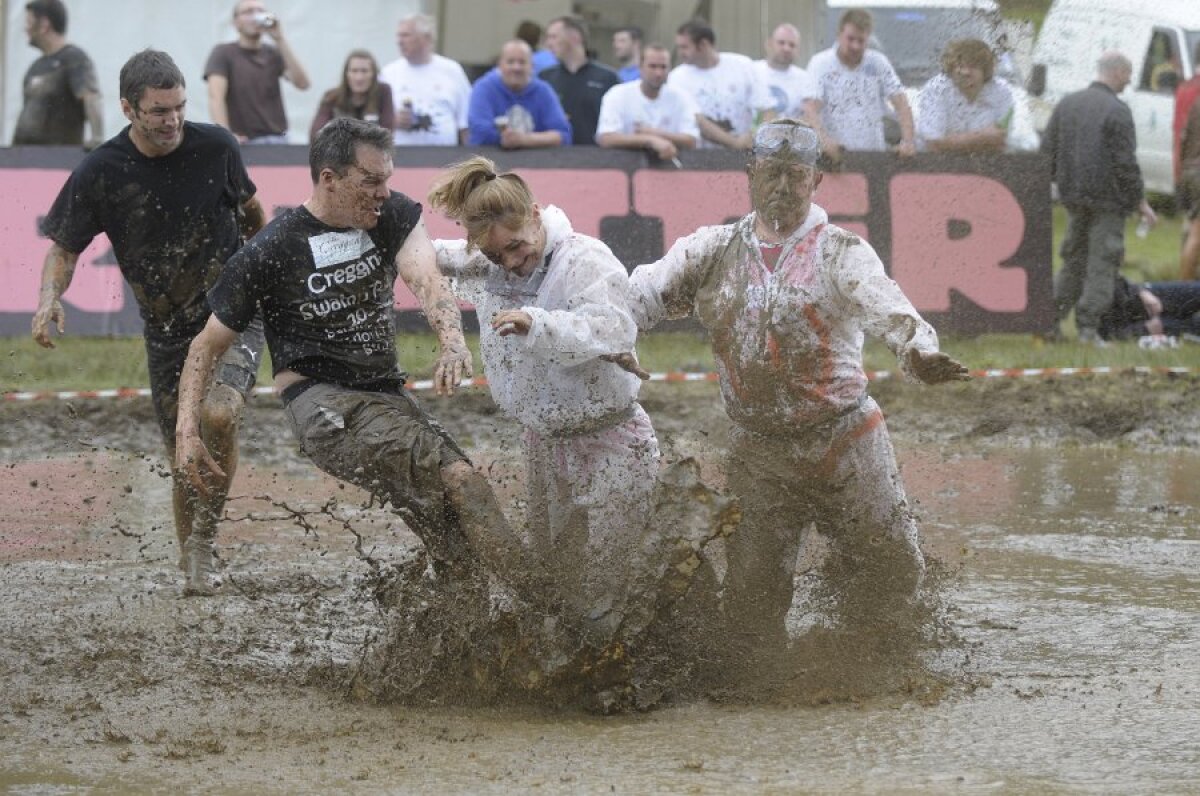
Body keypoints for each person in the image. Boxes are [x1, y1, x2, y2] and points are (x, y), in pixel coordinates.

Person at [627, 119, 969, 664]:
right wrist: (605, 334)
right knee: (753, 593)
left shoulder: (839, 251)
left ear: (814, 182)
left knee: (892, 568)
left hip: (844, 439)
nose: (782, 187)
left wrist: (916, 350)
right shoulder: (711, 251)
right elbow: (637, 296)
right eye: (771, 173)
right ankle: (762, 690)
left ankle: (894, 670)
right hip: (759, 449)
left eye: (795, 175)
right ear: (750, 174)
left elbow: (887, 305)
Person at [174, 118, 542, 602]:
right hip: (323, 407)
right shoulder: (271, 248)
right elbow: (205, 346)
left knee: (447, 523)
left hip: (385, 398)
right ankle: (553, 608)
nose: (383, 192)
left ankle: (459, 641)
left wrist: (453, 341)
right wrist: (186, 433)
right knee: (462, 482)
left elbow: (427, 281)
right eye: (370, 181)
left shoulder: (393, 217)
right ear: (330, 179)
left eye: (387, 178)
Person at [31, 49, 267, 596]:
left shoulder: (219, 147)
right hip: (166, 332)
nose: (173, 121)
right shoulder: (100, 171)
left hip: (231, 311)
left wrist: (268, 268)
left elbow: (254, 213)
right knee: (182, 455)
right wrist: (48, 298)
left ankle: (205, 540)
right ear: (127, 109)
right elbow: (63, 248)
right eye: (159, 111)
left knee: (219, 415)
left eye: (180, 107)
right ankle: (193, 565)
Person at [427, 155, 659, 615]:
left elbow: (614, 327)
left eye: (515, 247)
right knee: (556, 577)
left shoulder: (585, 258)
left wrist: (538, 322)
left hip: (611, 438)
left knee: (614, 575)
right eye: (496, 255)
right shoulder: (489, 264)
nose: (510, 263)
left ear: (534, 215)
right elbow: (425, 252)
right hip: (545, 442)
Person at [1042, 52, 1158, 344]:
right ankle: (1088, 329)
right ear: (1118, 71)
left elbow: (1047, 151)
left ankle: (1049, 322)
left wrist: (1057, 185)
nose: (1130, 81)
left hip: (1073, 199)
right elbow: (1125, 163)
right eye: (1128, 74)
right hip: (1108, 202)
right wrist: (1140, 203)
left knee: (1073, 262)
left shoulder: (1067, 103)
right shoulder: (1117, 110)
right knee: (1102, 264)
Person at [804, 8, 915, 163]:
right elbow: (810, 108)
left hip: (873, 158)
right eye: (850, 39)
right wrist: (823, 140)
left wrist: (908, 142)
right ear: (839, 35)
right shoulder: (820, 63)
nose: (855, 46)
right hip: (835, 159)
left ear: (868, 38)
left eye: (861, 41)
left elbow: (901, 103)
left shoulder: (878, 63)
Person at [204, 0, 310, 144]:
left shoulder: (273, 53)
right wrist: (227, 136)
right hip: (244, 141)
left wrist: (280, 39)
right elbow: (215, 98)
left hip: (279, 139)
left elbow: (302, 83)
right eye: (248, 12)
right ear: (236, 22)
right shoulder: (223, 53)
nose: (255, 16)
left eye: (260, 11)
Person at [668, 19, 775, 150]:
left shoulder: (743, 66)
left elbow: (766, 110)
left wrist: (753, 135)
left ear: (703, 45)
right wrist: (735, 144)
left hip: (746, 155)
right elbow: (697, 121)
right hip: (699, 158)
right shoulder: (676, 77)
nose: (680, 53)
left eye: (684, 47)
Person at [12, 0, 102, 148]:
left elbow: (91, 98)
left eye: (29, 22)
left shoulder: (74, 59)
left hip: (59, 161)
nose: (25, 29)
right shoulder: (35, 67)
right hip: (25, 159)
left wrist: (97, 139)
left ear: (44, 24)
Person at [380, 13, 472, 147]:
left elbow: (466, 123)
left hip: (444, 159)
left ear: (426, 38)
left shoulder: (452, 70)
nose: (399, 41)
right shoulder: (388, 73)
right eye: (398, 36)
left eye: (406, 35)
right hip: (399, 159)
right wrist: (392, 120)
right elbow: (373, 121)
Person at [595, 43, 699, 157]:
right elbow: (606, 138)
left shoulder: (682, 97)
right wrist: (649, 140)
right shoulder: (617, 94)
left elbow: (692, 140)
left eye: (663, 67)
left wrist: (655, 134)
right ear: (640, 67)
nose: (658, 73)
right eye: (652, 66)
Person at [467, 40, 571, 149]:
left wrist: (524, 140)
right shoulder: (483, 88)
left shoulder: (543, 91)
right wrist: (506, 139)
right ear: (500, 65)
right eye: (510, 62)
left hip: (537, 162)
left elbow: (563, 135)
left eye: (522, 62)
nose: (516, 68)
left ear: (532, 66)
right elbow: (479, 133)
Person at [916, 39, 1014, 153]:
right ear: (951, 69)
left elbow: (1001, 142)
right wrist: (982, 137)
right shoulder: (936, 89)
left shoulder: (1002, 91)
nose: (966, 72)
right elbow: (933, 144)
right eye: (960, 66)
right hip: (934, 163)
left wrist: (954, 141)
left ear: (985, 71)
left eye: (973, 66)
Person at [538, 16, 620, 146]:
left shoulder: (608, 78)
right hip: (553, 157)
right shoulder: (544, 78)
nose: (549, 43)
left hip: (597, 157)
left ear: (575, 37)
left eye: (554, 37)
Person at [308, 50, 394, 140]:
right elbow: (315, 134)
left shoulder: (383, 92)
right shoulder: (331, 97)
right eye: (354, 71)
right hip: (340, 151)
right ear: (346, 74)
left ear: (374, 74)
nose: (359, 77)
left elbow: (387, 132)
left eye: (364, 71)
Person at [1098, 275, 1200, 341]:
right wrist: (1144, 328)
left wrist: (1141, 292)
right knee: (1190, 327)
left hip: (1147, 295)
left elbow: (1113, 275)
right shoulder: (1087, 315)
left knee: (1196, 290)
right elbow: (1107, 334)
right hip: (1139, 323)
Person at [753, 23, 816, 121]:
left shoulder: (805, 79)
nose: (786, 48)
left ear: (798, 50)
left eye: (792, 45)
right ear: (769, 44)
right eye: (781, 43)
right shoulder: (752, 71)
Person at [1175, 44, 1200, 281]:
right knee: (1196, 236)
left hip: (1190, 172)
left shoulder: (1192, 94)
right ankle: (1184, 293)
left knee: (1192, 233)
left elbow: (1182, 138)